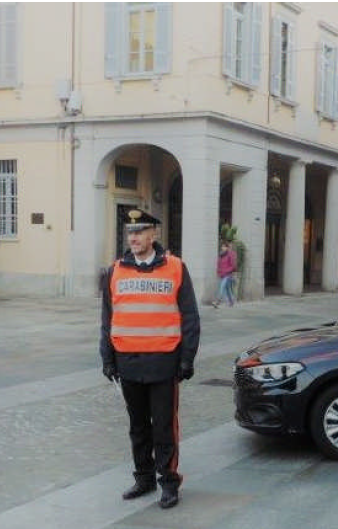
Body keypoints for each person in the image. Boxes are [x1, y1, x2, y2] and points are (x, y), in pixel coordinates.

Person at [100, 208, 200, 508]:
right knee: (138, 426)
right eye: (130, 232)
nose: (133, 237)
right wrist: (107, 357)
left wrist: (187, 359)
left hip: (163, 360)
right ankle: (143, 478)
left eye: (140, 231)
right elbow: (107, 317)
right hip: (128, 361)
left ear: (154, 234)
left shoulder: (176, 268)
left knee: (164, 427)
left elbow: (190, 317)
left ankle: (168, 482)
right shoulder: (114, 271)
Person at [211, 241, 237, 308]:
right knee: (227, 289)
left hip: (228, 275)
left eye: (224, 246)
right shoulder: (221, 255)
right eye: (222, 246)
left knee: (222, 287)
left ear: (227, 247)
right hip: (222, 274)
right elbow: (219, 265)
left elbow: (233, 266)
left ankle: (217, 302)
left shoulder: (230, 254)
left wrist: (227, 271)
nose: (222, 248)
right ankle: (231, 302)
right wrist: (218, 271)